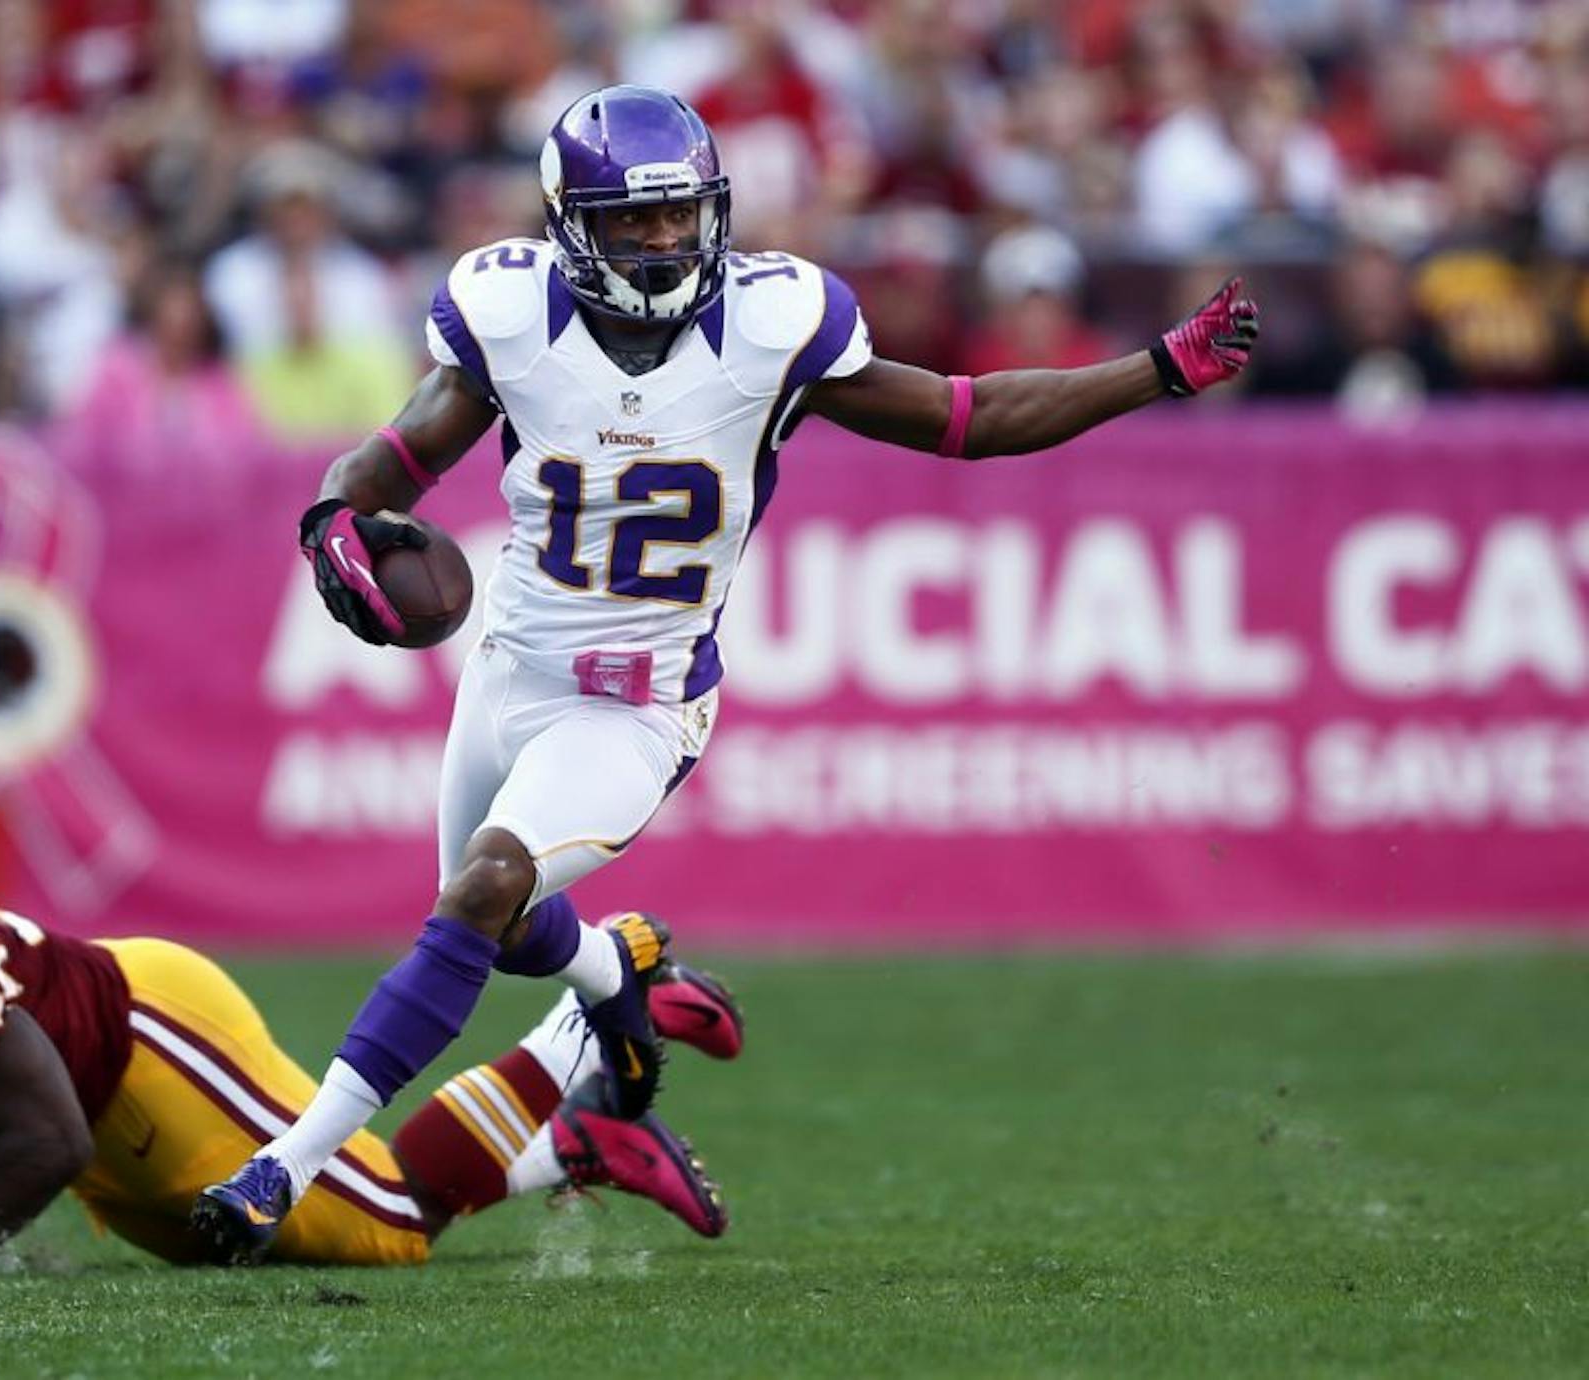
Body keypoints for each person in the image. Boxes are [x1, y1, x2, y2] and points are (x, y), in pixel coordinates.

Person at [194, 83, 1258, 1263]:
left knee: (483, 889)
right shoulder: (509, 316)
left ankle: (280, 1166)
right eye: (633, 223)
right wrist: (330, 521)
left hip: (641, 701)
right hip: (507, 673)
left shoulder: (773, 323)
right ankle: (623, 976)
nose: (661, 243)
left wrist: (1157, 368)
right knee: (502, 927)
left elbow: (973, 416)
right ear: (569, 227)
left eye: (677, 217)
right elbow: (393, 457)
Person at [0, 808, 743, 1283]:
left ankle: (594, 1001)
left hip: (142, 1044)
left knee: (390, 1229)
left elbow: (45, 1137)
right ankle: (577, 1143)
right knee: (240, 1261)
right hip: (73, 1109)